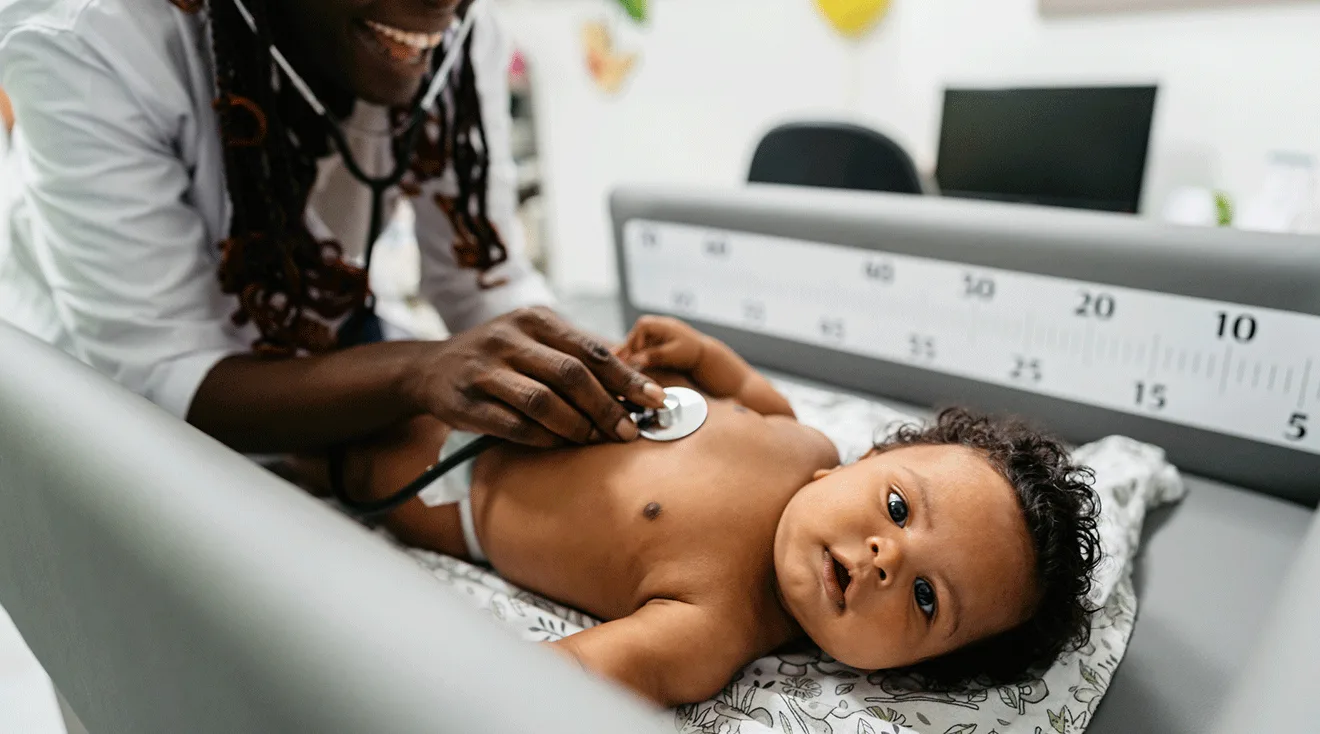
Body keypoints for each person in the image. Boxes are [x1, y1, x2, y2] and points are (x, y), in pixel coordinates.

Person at [0, 0, 665, 458]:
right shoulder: (85, 39)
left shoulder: (456, 35)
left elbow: (481, 283)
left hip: (299, 349)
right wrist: (417, 369)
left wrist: (595, 368)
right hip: (101, 389)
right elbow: (165, 374)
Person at [330, 316, 1104, 706]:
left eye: (926, 599)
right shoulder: (805, 443)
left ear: (912, 667)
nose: (887, 559)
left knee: (334, 454)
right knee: (358, 361)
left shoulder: (714, 625)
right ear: (864, 460)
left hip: (450, 488)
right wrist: (703, 357)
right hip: (510, 382)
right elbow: (753, 399)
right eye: (898, 507)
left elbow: (567, 678)